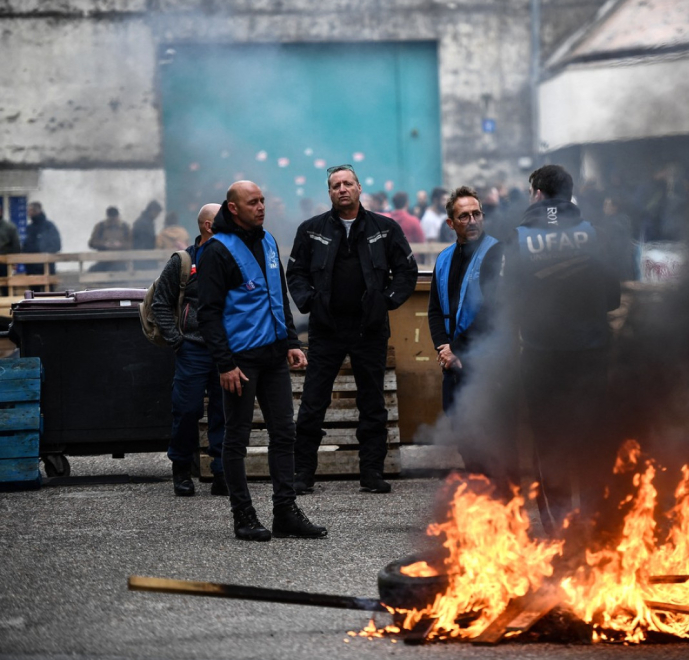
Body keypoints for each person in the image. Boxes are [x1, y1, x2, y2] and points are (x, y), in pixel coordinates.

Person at [198, 180, 326, 542]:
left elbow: (278, 297)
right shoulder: (217, 251)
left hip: (272, 357)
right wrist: (224, 364)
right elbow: (208, 314)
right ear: (233, 208)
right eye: (252, 202)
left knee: (284, 434)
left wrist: (290, 341)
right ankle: (243, 514)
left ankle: (285, 511)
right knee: (236, 438)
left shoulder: (268, 241)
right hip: (240, 361)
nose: (261, 207)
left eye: (263, 200)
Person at [503, 164, 621, 534]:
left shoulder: (518, 238)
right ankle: (592, 527)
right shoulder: (594, 234)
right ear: (570, 194)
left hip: (541, 356)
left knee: (547, 442)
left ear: (537, 193)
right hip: (590, 354)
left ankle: (557, 531)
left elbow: (510, 302)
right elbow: (612, 299)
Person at [286, 165, 418, 495]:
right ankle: (302, 473)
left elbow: (407, 271)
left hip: (369, 329)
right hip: (326, 330)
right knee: (313, 402)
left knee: (372, 402)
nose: (342, 189)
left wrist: (386, 301)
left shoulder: (385, 229)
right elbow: (296, 274)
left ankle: (371, 472)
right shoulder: (311, 230)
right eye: (335, 186)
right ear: (328, 193)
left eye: (347, 183)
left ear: (359, 188)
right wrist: (312, 302)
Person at [427, 186, 512, 482]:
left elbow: (492, 310)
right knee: (461, 427)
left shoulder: (497, 252)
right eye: (464, 216)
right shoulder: (444, 259)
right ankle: (481, 491)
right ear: (451, 223)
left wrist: (457, 351)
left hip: (486, 361)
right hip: (453, 362)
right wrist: (443, 347)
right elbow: (435, 310)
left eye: (477, 214)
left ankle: (498, 496)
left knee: (489, 433)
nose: (473, 220)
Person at [151, 204, 226, 498]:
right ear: (208, 225)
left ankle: (221, 472)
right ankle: (181, 469)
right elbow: (160, 303)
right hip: (192, 349)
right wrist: (177, 340)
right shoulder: (182, 261)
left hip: (226, 351)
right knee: (187, 410)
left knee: (225, 412)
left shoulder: (232, 257)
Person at [24, 202, 61, 286]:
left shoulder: (49, 226)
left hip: (47, 267)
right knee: (34, 294)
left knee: (49, 295)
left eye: (30, 211)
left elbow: (56, 245)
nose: (28, 213)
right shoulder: (30, 228)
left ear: (37, 211)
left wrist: (43, 255)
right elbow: (26, 246)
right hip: (32, 268)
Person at [0, 214, 21, 297]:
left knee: (8, 289)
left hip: (5, 264)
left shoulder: (9, 227)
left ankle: (11, 307)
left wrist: (14, 261)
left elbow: (16, 245)